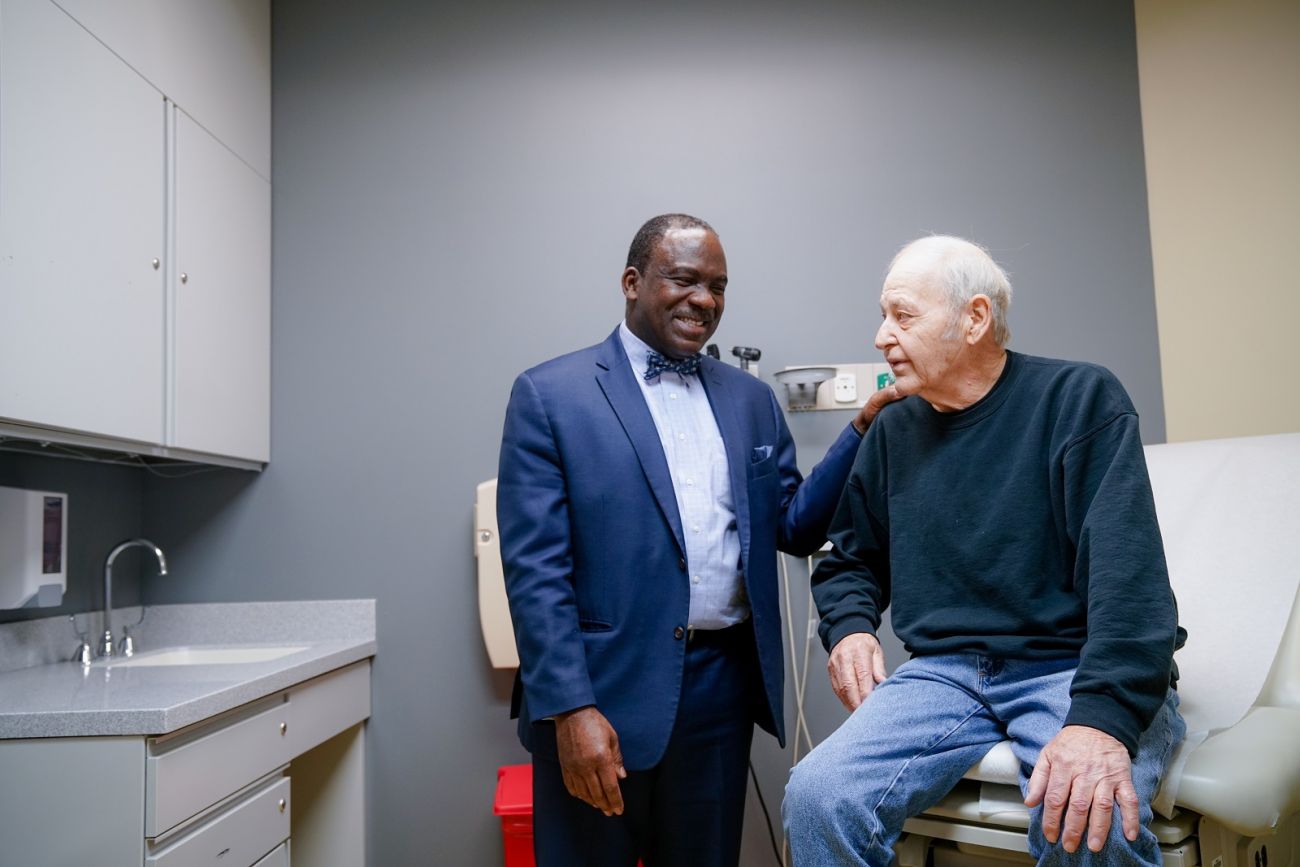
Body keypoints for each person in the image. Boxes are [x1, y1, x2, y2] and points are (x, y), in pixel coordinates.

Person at [496, 213, 898, 866]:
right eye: (684, 279)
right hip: (602, 692)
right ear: (632, 281)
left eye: (718, 286)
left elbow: (792, 526)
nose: (705, 300)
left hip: (719, 690)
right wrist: (570, 709)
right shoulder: (551, 394)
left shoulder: (750, 400)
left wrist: (860, 429)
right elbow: (535, 570)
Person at [782, 236, 1187, 867]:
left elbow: (1129, 583)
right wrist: (850, 630)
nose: (881, 335)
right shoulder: (893, 429)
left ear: (974, 318)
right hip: (944, 673)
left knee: (1081, 821)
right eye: (884, 316)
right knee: (818, 796)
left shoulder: (1079, 400)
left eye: (902, 315)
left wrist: (1099, 720)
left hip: (1069, 663)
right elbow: (849, 559)